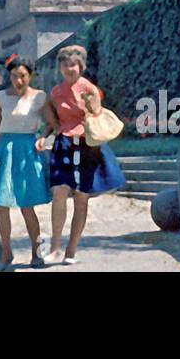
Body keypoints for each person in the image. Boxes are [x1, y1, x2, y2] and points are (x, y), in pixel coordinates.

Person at [43, 44, 126, 265]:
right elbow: (53, 120)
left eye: (73, 64)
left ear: (81, 66)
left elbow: (97, 114)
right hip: (64, 143)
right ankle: (54, 247)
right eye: (64, 64)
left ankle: (71, 250)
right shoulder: (55, 92)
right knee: (59, 192)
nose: (69, 68)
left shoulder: (89, 88)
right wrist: (44, 136)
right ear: (59, 67)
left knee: (81, 196)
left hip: (87, 144)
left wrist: (92, 104)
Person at [0, 55, 58, 270]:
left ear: (30, 76)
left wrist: (43, 137)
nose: (19, 81)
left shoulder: (39, 98)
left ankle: (36, 253)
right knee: (2, 204)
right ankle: (6, 253)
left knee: (27, 205)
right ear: (9, 76)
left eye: (23, 76)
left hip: (27, 151)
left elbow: (52, 123)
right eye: (15, 76)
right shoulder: (0, 98)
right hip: (5, 151)